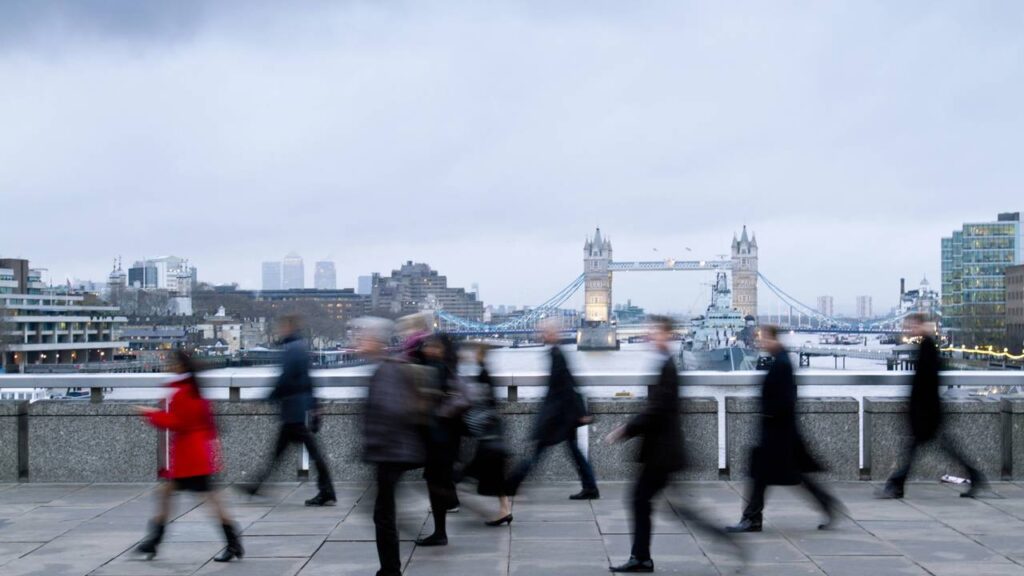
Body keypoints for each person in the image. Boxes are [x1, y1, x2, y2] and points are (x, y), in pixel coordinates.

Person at [606, 316, 736, 572]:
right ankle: (643, 556)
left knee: (642, 501)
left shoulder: (668, 366)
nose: (650, 334)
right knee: (670, 507)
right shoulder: (665, 363)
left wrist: (626, 429)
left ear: (666, 334)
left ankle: (642, 558)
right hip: (662, 451)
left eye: (655, 331)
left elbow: (659, 408)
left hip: (662, 452)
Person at [726, 324, 842, 533]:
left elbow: (785, 399)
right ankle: (827, 504)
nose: (760, 343)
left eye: (763, 339)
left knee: (763, 475)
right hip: (780, 431)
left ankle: (752, 519)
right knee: (790, 476)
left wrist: (768, 414)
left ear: (773, 339)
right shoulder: (781, 360)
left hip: (777, 432)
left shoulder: (781, 364)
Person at [135, 351, 243, 562]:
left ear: (181, 367)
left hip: (191, 458)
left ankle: (232, 542)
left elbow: (178, 422)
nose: (168, 365)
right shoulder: (192, 389)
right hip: (195, 455)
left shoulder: (183, 392)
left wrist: (150, 413)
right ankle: (154, 540)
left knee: (208, 500)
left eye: (171, 362)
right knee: (174, 494)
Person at [877, 313, 988, 499]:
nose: (909, 330)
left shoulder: (927, 347)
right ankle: (975, 477)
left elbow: (926, 383)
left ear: (921, 326)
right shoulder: (926, 345)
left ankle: (896, 485)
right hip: (928, 410)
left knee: (914, 450)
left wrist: (916, 407)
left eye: (912, 326)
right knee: (935, 449)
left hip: (927, 412)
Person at [358, 317, 429, 576]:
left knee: (382, 514)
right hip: (391, 451)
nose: (359, 341)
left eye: (363, 337)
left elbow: (392, 410)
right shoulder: (386, 367)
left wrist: (374, 444)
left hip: (390, 452)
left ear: (376, 342)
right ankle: (390, 567)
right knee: (382, 511)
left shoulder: (385, 371)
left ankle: (390, 570)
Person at [242, 314, 336, 506]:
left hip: (294, 409)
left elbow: (285, 380)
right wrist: (315, 405)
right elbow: (308, 380)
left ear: (289, 327)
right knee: (284, 451)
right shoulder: (300, 347)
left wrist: (263, 399)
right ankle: (256, 485)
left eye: (281, 326)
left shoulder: (293, 349)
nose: (279, 330)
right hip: (298, 407)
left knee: (304, 451)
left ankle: (327, 490)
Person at [506, 319, 599, 500]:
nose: (543, 335)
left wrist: (579, 413)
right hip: (564, 414)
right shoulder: (556, 353)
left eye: (546, 332)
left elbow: (565, 386)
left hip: (558, 416)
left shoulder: (556, 354)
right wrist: (580, 412)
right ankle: (590, 487)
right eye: (543, 332)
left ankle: (511, 485)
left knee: (537, 451)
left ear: (554, 334)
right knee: (573, 452)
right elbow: (570, 383)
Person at [415, 333, 469, 547]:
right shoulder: (448, 368)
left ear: (442, 349)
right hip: (446, 437)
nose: (427, 348)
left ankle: (440, 532)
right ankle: (440, 529)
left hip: (439, 437)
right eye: (426, 345)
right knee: (438, 481)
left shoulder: (436, 369)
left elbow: (427, 400)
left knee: (435, 482)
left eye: (432, 346)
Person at [462, 344, 513, 526]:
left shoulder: (482, 374)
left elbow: (480, 402)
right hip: (491, 434)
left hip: (486, 435)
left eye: (474, 351)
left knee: (466, 474)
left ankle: (447, 502)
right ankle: (504, 509)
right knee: (495, 475)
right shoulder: (485, 372)